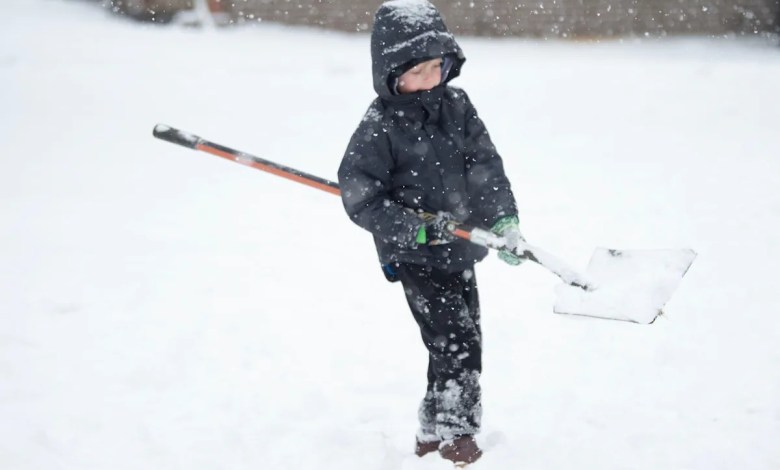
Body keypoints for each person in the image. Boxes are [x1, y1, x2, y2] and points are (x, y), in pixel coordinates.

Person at [337, 0, 524, 465]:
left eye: (435, 68)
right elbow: (361, 197)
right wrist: (413, 230)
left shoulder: (457, 106)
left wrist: (503, 219)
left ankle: (428, 429)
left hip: (461, 249)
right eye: (416, 72)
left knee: (456, 342)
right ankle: (459, 436)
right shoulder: (379, 124)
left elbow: (484, 166)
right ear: (391, 73)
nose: (428, 81)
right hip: (416, 255)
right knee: (455, 342)